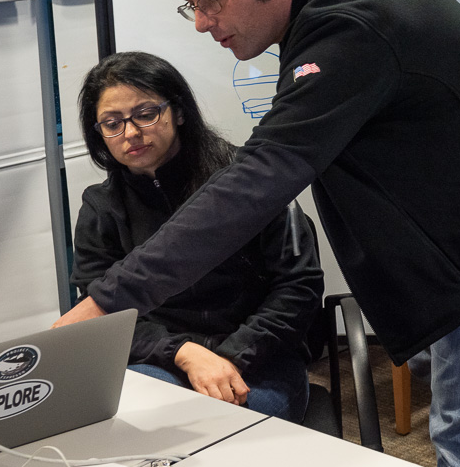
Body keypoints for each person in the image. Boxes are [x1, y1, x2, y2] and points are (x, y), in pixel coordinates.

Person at [55, 0, 460, 467]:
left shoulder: (348, 29)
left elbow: (261, 178)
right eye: (192, 4)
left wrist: (107, 301)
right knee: (451, 390)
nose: (203, 21)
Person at [72, 51, 324, 421]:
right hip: (160, 358)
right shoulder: (100, 207)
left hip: (257, 356)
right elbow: (104, 314)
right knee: (150, 422)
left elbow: (299, 287)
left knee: (226, 429)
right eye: (112, 123)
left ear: (178, 111)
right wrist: (183, 352)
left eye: (145, 114)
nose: (130, 133)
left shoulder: (250, 181)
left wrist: (229, 358)